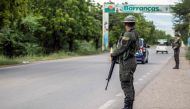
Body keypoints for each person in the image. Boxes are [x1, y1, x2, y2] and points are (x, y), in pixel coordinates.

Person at [111, 15, 139, 109]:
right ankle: (129, 106)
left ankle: (127, 107)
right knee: (129, 83)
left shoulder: (128, 34)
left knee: (126, 83)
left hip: (127, 62)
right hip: (131, 60)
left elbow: (122, 47)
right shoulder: (135, 33)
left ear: (126, 23)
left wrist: (113, 54)